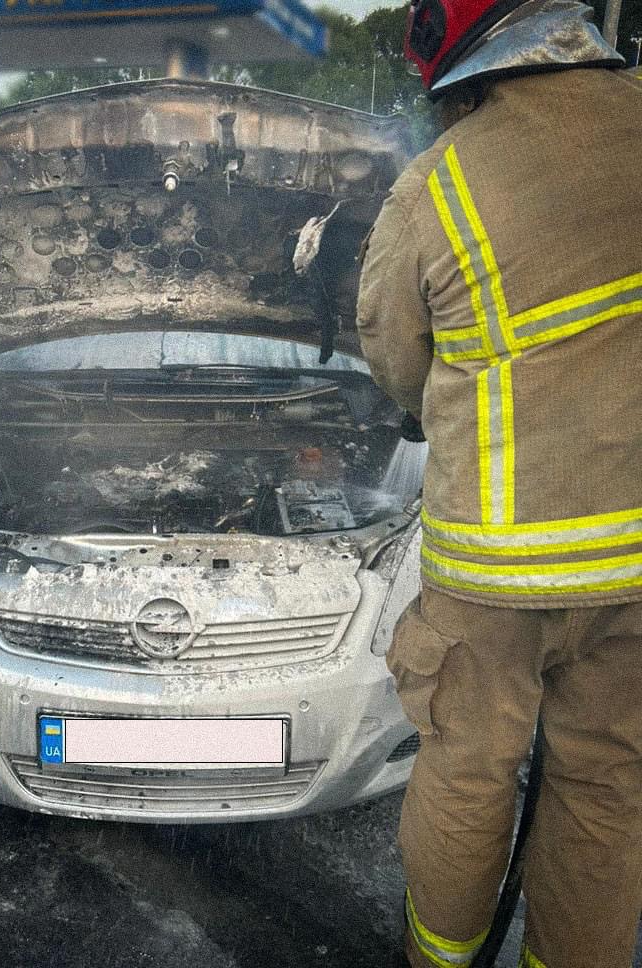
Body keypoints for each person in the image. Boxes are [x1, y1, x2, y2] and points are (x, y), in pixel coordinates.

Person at [355, 1, 642, 965]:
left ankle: (438, 958)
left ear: (470, 75)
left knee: (471, 771)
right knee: (606, 784)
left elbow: (395, 356)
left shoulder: (438, 185)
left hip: (495, 569)